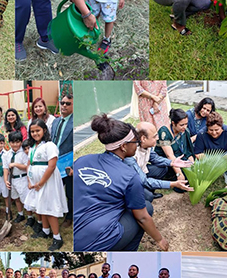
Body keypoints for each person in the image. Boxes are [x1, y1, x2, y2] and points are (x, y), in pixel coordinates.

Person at [72, 115, 172, 251]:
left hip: (75, 236)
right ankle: (126, 252)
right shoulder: (129, 175)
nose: (137, 145)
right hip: (98, 241)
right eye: (135, 142)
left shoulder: (81, 161)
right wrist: (159, 239)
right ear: (124, 147)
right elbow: (142, 218)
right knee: (146, 208)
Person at [25, 119, 68, 249]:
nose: (35, 133)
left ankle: (57, 237)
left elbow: (52, 165)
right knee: (41, 206)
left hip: (47, 182)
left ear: (44, 130)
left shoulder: (50, 145)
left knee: (49, 208)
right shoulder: (33, 147)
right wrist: (30, 181)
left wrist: (41, 182)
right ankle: (45, 230)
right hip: (36, 184)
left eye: (37, 130)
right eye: (32, 131)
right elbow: (29, 164)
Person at [50, 95, 76, 218]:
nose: (64, 105)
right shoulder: (55, 121)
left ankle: (70, 216)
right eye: (62, 103)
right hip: (55, 163)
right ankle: (58, 212)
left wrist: (73, 165)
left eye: (68, 103)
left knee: (70, 193)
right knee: (55, 191)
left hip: (68, 164)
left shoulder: (74, 122)